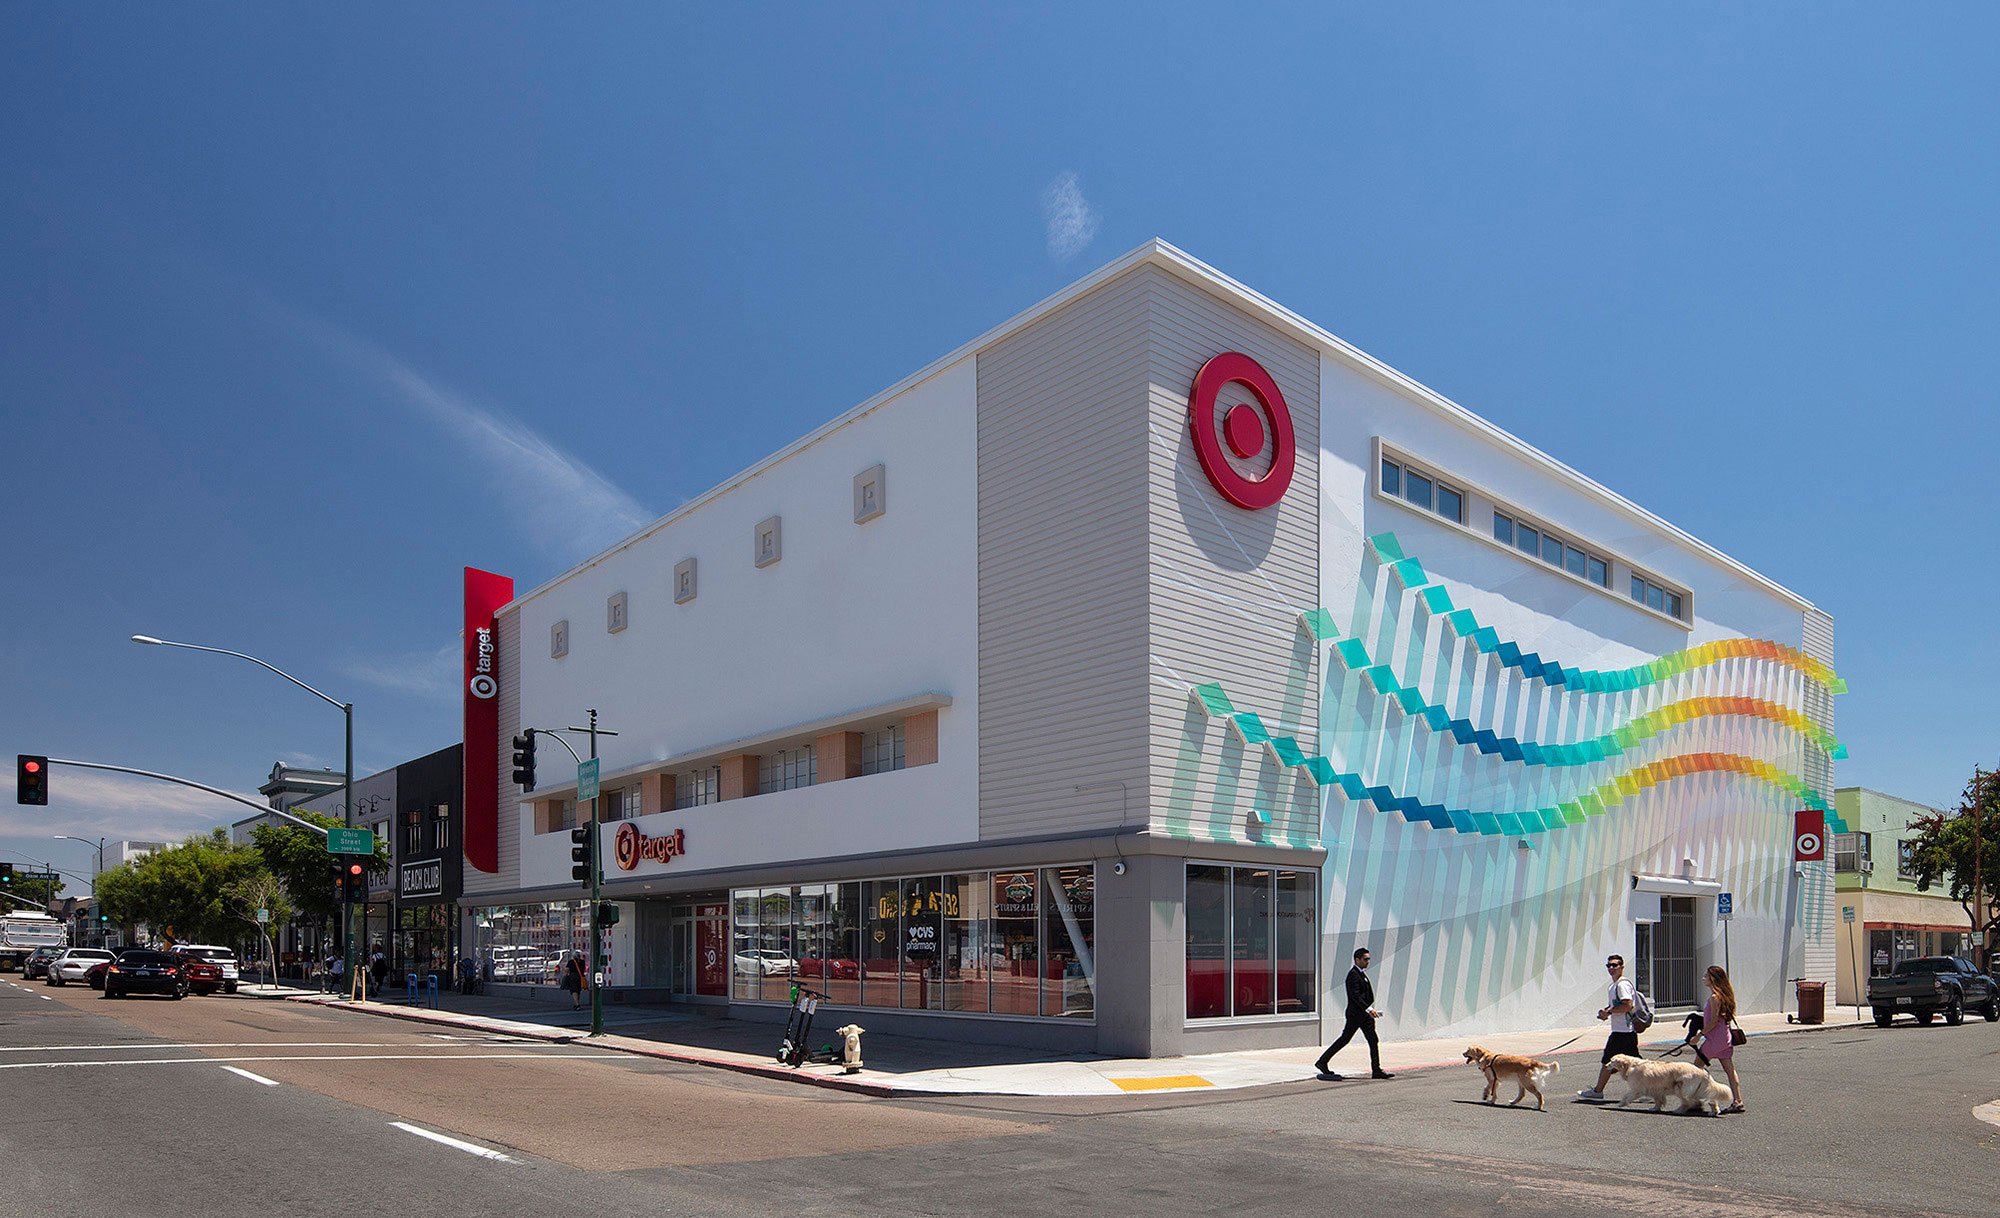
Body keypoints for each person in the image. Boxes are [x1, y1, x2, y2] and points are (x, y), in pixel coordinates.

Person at [1315, 947, 1393, 1080]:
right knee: (1345, 1039)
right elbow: (1355, 996)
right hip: (1356, 1015)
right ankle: (1322, 1062)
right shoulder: (1353, 975)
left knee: (1373, 1040)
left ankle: (1376, 1070)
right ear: (1357, 960)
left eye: (1369, 959)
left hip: (1365, 1015)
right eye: (1365, 959)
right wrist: (1369, 1009)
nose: (1368, 961)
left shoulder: (1362, 974)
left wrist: (1369, 1009)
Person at [1577, 953, 1636, 1100]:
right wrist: (1605, 1012)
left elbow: (1627, 1005)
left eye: (1615, 965)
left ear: (1622, 967)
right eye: (1609, 965)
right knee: (1635, 1065)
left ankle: (1597, 1092)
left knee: (1608, 1062)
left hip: (1622, 1032)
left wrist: (1609, 1012)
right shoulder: (1613, 986)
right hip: (1624, 1031)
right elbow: (1615, 1006)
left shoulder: (1622, 985)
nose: (1611, 968)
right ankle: (1647, 1090)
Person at [1694, 965, 1746, 1114]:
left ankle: (1699, 1100)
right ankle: (1738, 1101)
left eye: (1706, 975)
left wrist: (1699, 1035)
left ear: (1713, 979)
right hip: (1725, 1037)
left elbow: (1713, 1021)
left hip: (1715, 1038)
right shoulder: (1725, 995)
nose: (1703, 978)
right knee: (1730, 1070)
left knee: (1696, 1068)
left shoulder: (1715, 997)